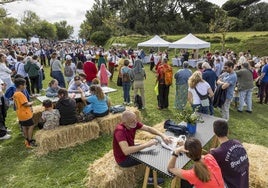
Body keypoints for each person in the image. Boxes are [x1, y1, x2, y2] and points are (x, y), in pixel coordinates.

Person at [210, 120, 249, 188]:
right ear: (228, 131)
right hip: (244, 183)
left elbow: (204, 165)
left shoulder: (216, 153)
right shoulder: (237, 142)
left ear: (214, 132)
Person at [13, 78, 36, 148]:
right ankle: (30, 140)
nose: (25, 86)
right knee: (31, 126)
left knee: (24, 127)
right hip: (25, 114)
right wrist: (32, 102)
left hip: (20, 114)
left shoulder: (15, 93)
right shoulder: (20, 94)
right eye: (25, 85)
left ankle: (26, 139)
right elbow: (25, 104)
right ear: (21, 86)